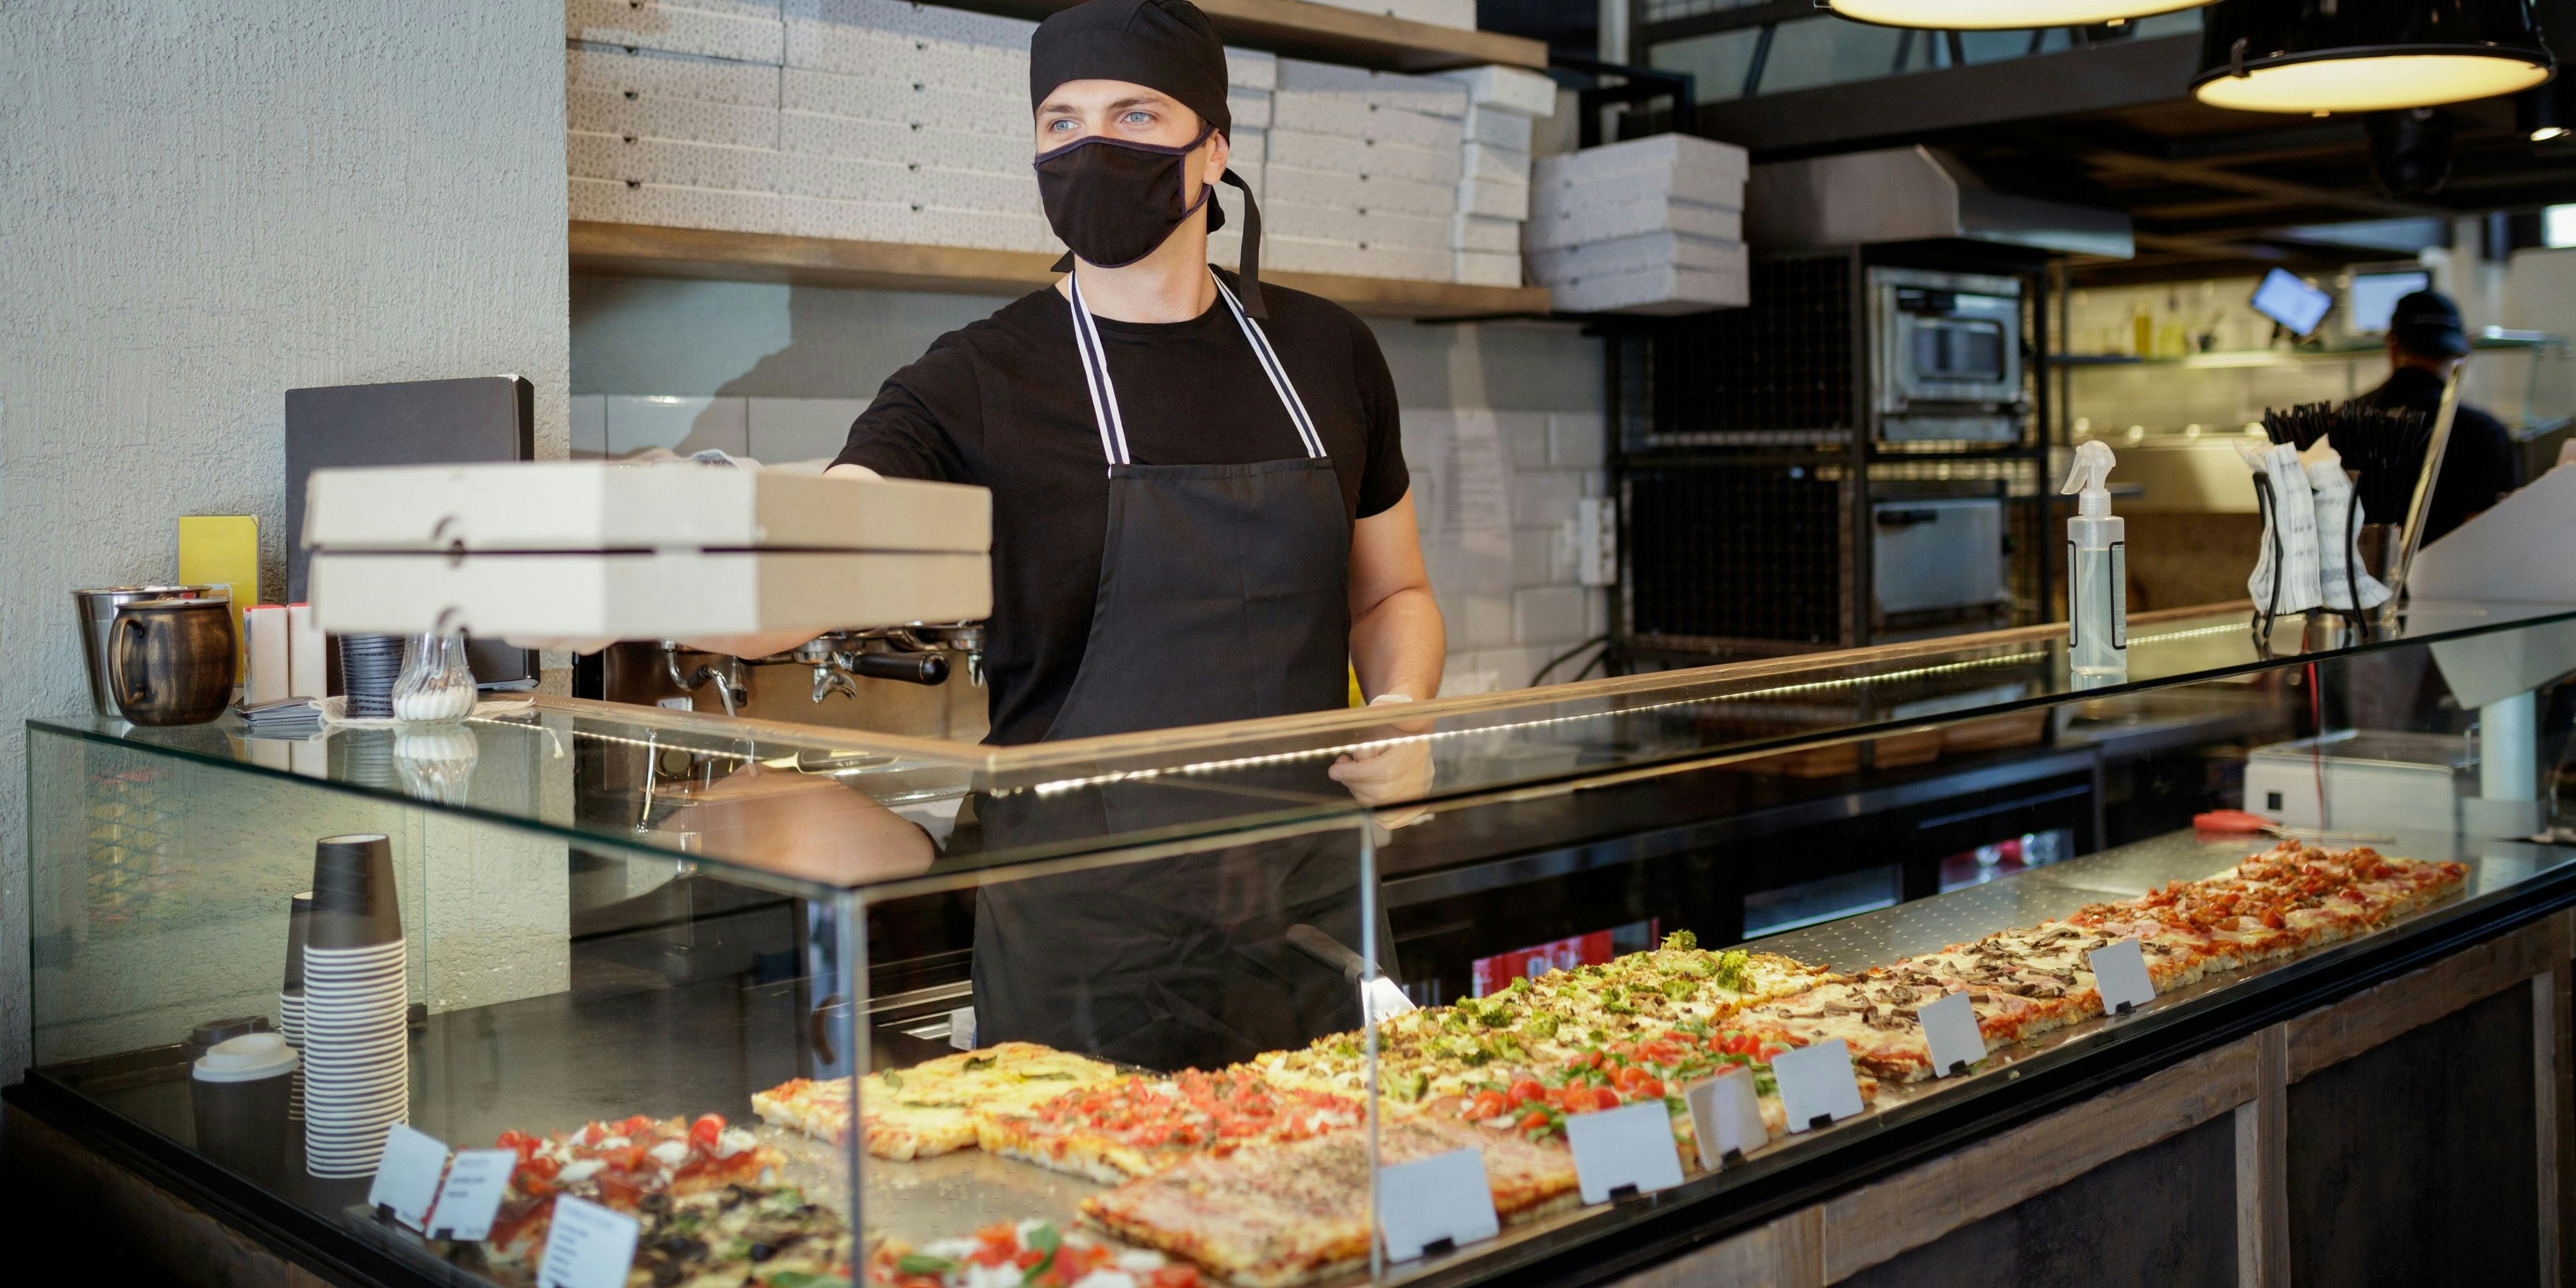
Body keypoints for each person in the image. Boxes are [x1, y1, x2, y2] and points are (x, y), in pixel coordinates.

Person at [701, 0, 1443, 1069]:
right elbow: (816, 554)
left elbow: (1393, 599)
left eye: (1137, 116)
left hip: (1308, 908)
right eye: (1063, 122)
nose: (1094, 146)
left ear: (1214, 150)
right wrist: (625, 573)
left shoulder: (1329, 353)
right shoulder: (976, 379)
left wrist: (1410, 713)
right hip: (1081, 940)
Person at [2358, 289, 2523, 545]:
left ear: (2392, 345)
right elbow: (2487, 538)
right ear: (2463, 349)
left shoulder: (2341, 419)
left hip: (2351, 582)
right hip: (2450, 583)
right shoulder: (2485, 433)